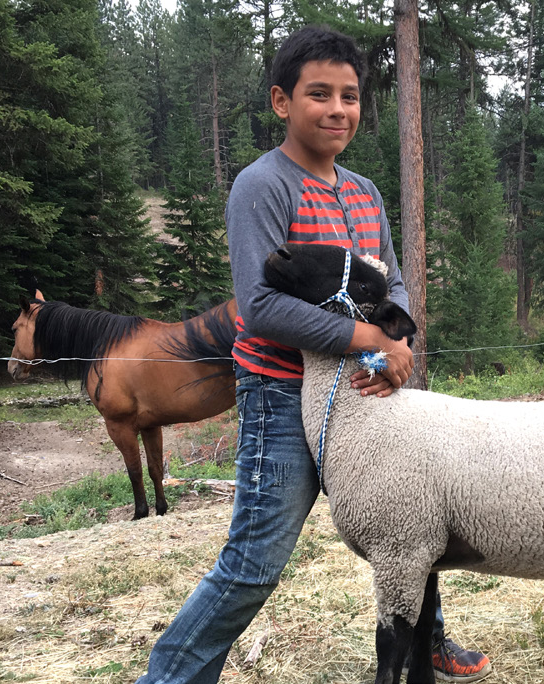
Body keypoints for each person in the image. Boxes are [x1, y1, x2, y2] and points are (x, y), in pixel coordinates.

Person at [138, 25, 491, 684]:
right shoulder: (261, 186)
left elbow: (392, 282)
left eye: (350, 96)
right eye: (319, 94)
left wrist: (401, 341)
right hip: (281, 398)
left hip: (369, 392)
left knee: (416, 529)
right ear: (281, 101)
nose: (337, 109)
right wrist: (365, 338)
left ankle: (428, 641)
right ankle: (168, 679)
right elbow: (260, 307)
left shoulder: (364, 192)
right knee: (254, 562)